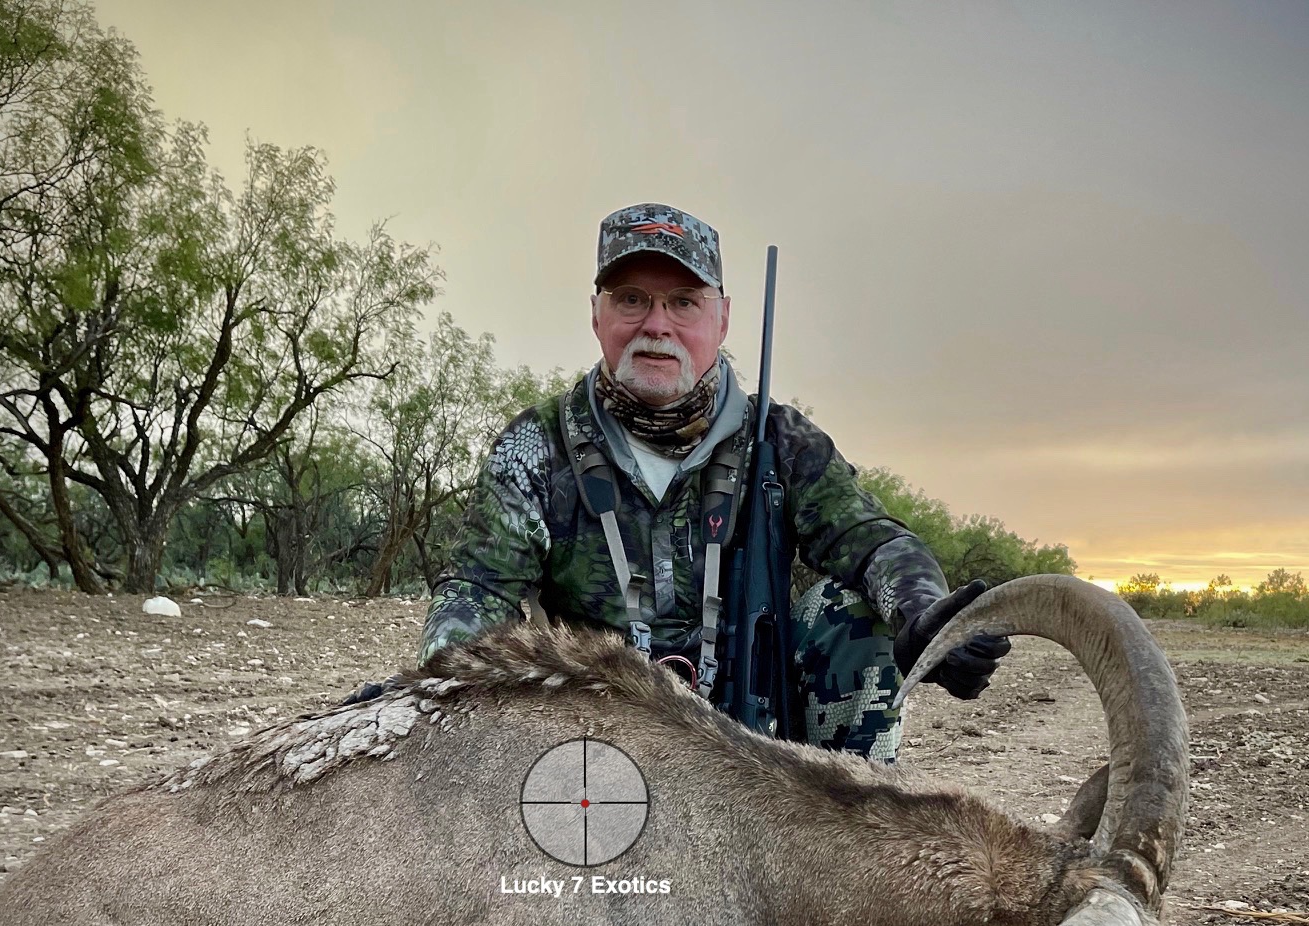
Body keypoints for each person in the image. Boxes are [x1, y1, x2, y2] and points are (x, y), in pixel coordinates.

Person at [412, 203, 1007, 760]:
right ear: (597, 315)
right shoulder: (535, 447)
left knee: (848, 610)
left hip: (761, 742)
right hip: (596, 741)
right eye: (631, 299)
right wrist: (438, 691)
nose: (656, 325)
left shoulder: (782, 441)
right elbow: (476, 590)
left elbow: (876, 539)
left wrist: (925, 615)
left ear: (722, 318)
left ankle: (849, 839)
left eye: (684, 302)